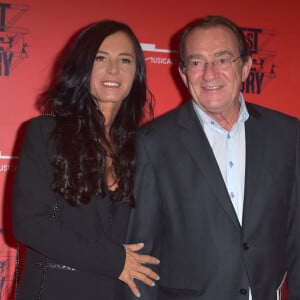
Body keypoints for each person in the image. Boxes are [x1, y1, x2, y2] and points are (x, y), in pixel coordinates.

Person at [126, 15, 300, 300]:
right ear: (183, 74)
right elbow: (141, 257)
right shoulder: (153, 143)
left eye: (222, 60)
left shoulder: (287, 134)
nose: (209, 74)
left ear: (245, 67)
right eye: (196, 62)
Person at [12, 20, 160, 300]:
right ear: (82, 66)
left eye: (125, 60)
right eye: (100, 58)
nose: (113, 69)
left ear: (136, 73)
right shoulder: (46, 132)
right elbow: (30, 224)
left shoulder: (144, 148)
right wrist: (115, 261)